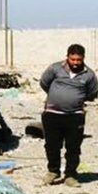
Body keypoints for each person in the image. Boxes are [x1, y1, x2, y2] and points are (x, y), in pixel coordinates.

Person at [40, 44, 98, 186]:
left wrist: (74, 99)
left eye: (79, 60)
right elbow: (44, 83)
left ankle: (70, 175)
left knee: (73, 147)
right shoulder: (55, 68)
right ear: (67, 57)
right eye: (73, 59)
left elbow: (92, 93)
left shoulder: (89, 75)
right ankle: (53, 171)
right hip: (52, 114)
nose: (76, 63)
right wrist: (57, 97)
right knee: (52, 145)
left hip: (75, 116)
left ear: (83, 58)